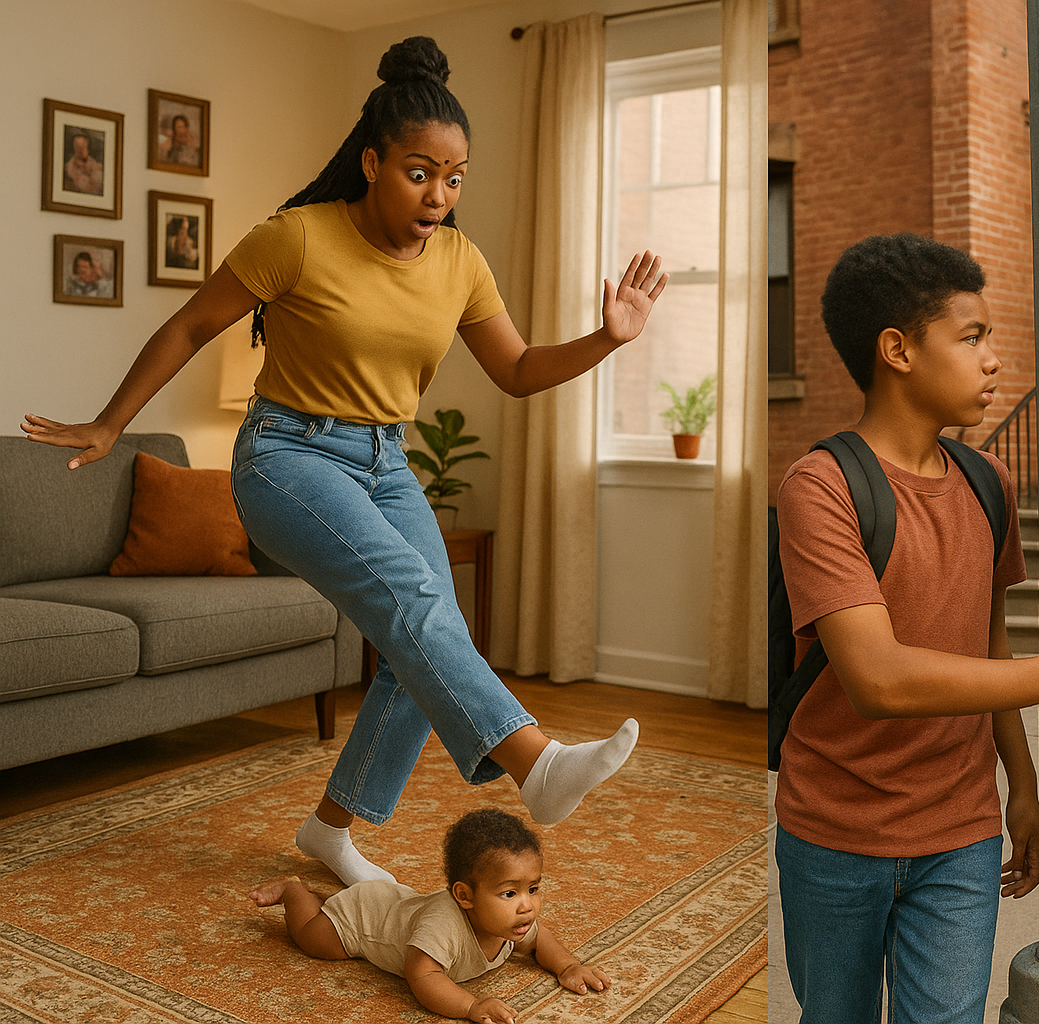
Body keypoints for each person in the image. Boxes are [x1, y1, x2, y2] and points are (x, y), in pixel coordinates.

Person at [23, 36, 666, 888]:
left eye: (455, 178)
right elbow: (189, 326)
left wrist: (606, 339)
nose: (439, 195)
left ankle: (331, 830)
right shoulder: (296, 237)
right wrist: (111, 424)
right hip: (287, 453)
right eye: (419, 173)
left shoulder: (460, 262)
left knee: (423, 643)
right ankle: (535, 762)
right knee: (414, 600)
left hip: (385, 460)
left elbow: (515, 371)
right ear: (372, 162)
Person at [774, 232, 1039, 1024]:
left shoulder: (987, 481)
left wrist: (1024, 784)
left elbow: (988, 643)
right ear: (898, 350)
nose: (993, 360)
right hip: (834, 835)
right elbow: (878, 680)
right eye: (972, 337)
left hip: (960, 834)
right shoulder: (820, 487)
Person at [249, 808, 608, 1024]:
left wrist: (568, 966)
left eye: (533, 888)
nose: (527, 905)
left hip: (395, 903)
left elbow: (540, 939)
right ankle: (294, 891)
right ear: (464, 896)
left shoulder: (512, 921)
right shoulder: (443, 926)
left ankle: (320, 897)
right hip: (362, 918)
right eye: (509, 893)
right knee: (314, 939)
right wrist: (471, 1006)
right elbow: (421, 975)